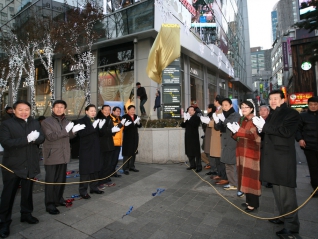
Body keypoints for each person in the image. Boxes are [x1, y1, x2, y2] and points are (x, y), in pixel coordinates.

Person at [252, 89, 300, 236]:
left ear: (283, 100)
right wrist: (260, 128)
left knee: (286, 194)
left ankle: (291, 227)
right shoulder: (273, 114)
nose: (273, 101)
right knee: (278, 192)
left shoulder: (291, 113)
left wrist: (264, 126)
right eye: (271, 99)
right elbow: (268, 133)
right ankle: (283, 217)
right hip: (272, 158)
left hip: (283, 159)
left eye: (276, 99)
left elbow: (285, 132)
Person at [0, 100, 45, 238]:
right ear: (14, 110)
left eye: (27, 109)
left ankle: (26, 214)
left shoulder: (34, 122)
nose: (24, 112)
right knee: (8, 194)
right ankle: (4, 222)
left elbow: (42, 137)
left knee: (27, 191)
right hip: (12, 166)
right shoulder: (6, 124)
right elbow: (6, 143)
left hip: (30, 164)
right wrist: (27, 139)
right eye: (21, 109)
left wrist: (36, 139)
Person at [41, 100, 83, 215]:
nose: (59, 109)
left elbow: (68, 136)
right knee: (51, 181)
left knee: (61, 180)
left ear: (65, 109)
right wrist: (66, 131)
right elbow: (51, 136)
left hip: (64, 155)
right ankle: (49, 204)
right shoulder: (46, 122)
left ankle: (58, 199)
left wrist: (73, 132)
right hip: (52, 156)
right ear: (53, 108)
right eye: (57, 107)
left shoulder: (66, 121)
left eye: (62, 107)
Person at [227, 100, 261, 212]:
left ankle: (253, 204)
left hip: (250, 152)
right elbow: (238, 135)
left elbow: (253, 135)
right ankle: (248, 201)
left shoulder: (254, 120)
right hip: (241, 151)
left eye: (246, 107)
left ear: (251, 108)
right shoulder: (242, 119)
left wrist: (239, 130)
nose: (244, 109)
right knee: (243, 176)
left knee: (250, 177)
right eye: (242, 107)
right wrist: (234, 131)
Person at [76, 104, 105, 199]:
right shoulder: (80, 121)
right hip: (86, 150)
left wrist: (100, 128)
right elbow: (81, 134)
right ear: (86, 111)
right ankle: (83, 191)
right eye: (91, 110)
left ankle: (94, 187)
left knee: (95, 170)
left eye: (94, 111)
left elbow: (100, 135)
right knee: (85, 171)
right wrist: (92, 127)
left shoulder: (96, 121)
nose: (93, 112)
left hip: (96, 149)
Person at [214, 98, 240, 190]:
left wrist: (223, 120)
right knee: (227, 163)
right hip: (225, 141)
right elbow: (218, 128)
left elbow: (232, 126)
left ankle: (235, 183)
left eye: (226, 105)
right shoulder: (224, 115)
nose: (224, 107)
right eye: (223, 105)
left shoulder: (235, 115)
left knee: (232, 164)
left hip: (231, 141)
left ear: (231, 105)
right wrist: (217, 122)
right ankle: (231, 182)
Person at [296, 96, 318, 197]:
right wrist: (300, 139)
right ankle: (315, 188)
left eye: (315, 105)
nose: (313, 107)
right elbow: (298, 129)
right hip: (309, 146)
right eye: (311, 105)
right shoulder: (303, 116)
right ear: (308, 105)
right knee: (313, 168)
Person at [97, 105, 120, 188]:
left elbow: (112, 133)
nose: (107, 111)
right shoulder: (99, 119)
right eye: (105, 110)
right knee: (101, 164)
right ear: (102, 110)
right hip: (102, 146)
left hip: (110, 144)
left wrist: (116, 129)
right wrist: (110, 131)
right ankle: (99, 181)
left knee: (108, 164)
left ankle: (106, 179)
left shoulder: (109, 119)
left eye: (108, 110)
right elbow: (100, 133)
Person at [110, 106, 131, 176]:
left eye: (119, 111)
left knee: (115, 159)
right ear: (113, 111)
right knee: (111, 159)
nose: (118, 112)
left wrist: (126, 125)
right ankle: (108, 173)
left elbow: (123, 129)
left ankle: (113, 172)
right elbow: (114, 129)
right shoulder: (110, 119)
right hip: (111, 142)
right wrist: (121, 124)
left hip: (118, 142)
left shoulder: (120, 119)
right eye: (117, 111)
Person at [181, 106, 202, 172]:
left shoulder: (196, 117)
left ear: (194, 111)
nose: (190, 111)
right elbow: (183, 125)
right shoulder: (187, 118)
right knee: (189, 151)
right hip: (188, 137)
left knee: (196, 152)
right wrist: (184, 120)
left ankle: (199, 166)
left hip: (194, 137)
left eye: (191, 110)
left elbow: (195, 125)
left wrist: (189, 119)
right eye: (189, 110)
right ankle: (192, 165)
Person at [122, 105, 142, 174]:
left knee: (134, 151)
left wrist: (139, 123)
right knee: (127, 153)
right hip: (128, 137)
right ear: (128, 110)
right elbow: (124, 128)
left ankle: (132, 166)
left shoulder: (136, 116)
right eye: (131, 109)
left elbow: (139, 126)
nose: (133, 111)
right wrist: (132, 123)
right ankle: (125, 168)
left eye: (134, 109)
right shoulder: (124, 117)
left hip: (135, 137)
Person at [258, 105, 272, 188]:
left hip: (268, 145)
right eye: (261, 110)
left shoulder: (271, 120)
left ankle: (270, 181)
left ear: (268, 112)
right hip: (259, 145)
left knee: (268, 163)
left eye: (265, 110)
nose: (262, 112)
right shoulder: (257, 120)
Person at [201, 104, 217, 175]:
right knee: (207, 152)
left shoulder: (213, 115)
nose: (207, 109)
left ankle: (214, 168)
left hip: (211, 136)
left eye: (208, 108)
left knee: (211, 153)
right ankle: (212, 167)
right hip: (208, 135)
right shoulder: (209, 115)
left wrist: (206, 122)